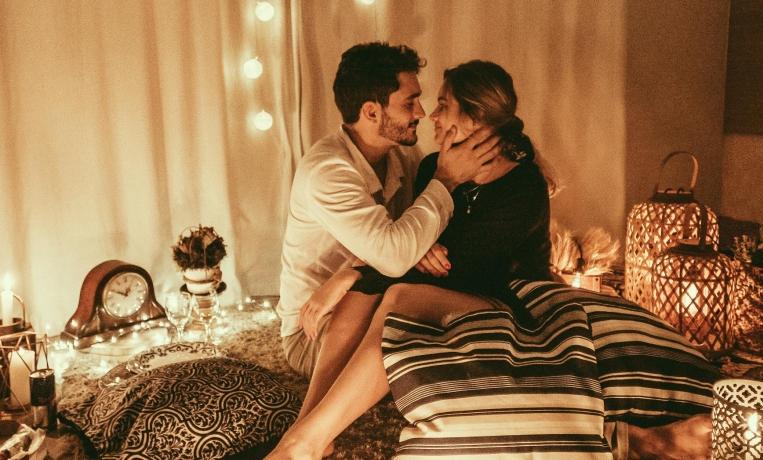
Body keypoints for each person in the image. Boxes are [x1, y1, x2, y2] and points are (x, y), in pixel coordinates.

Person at [270, 59, 713, 460]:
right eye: (418, 102)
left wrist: (364, 268)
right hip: (445, 295)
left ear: (476, 118)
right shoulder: (429, 168)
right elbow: (410, 243)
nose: (430, 115)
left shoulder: (523, 186)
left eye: (442, 105)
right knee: (367, 297)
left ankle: (306, 440)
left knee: (398, 295)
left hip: (505, 302)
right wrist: (375, 267)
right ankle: (307, 438)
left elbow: (458, 267)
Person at [278, 42, 502, 386]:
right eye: (409, 103)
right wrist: (445, 180)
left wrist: (524, 155)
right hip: (315, 329)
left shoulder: (401, 155)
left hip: (373, 298)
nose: (421, 113)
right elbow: (396, 255)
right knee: (423, 355)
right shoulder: (328, 172)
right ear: (371, 112)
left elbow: (417, 231)